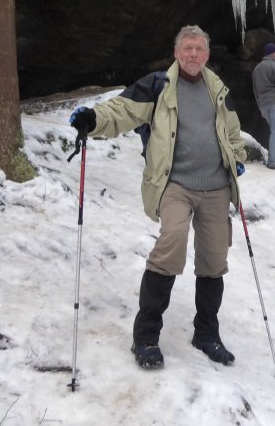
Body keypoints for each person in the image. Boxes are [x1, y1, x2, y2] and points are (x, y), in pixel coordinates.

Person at [69, 25, 247, 370]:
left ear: (207, 55)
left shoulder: (219, 90)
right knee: (172, 242)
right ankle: (146, 336)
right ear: (177, 53)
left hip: (215, 187)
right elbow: (122, 111)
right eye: (187, 48)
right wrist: (94, 119)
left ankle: (207, 334)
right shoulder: (158, 85)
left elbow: (234, 133)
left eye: (199, 49)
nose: (193, 54)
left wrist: (236, 160)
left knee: (214, 259)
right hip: (174, 184)